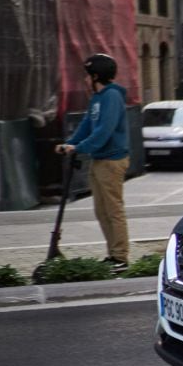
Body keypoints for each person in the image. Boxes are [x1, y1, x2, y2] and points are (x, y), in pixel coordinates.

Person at [55, 54, 130, 272]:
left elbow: (104, 131)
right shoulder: (97, 98)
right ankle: (112, 254)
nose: (85, 80)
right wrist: (69, 143)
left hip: (112, 160)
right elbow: (87, 126)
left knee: (113, 210)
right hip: (99, 160)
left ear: (96, 76)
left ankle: (121, 258)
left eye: (87, 76)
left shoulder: (112, 97)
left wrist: (79, 148)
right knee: (101, 210)